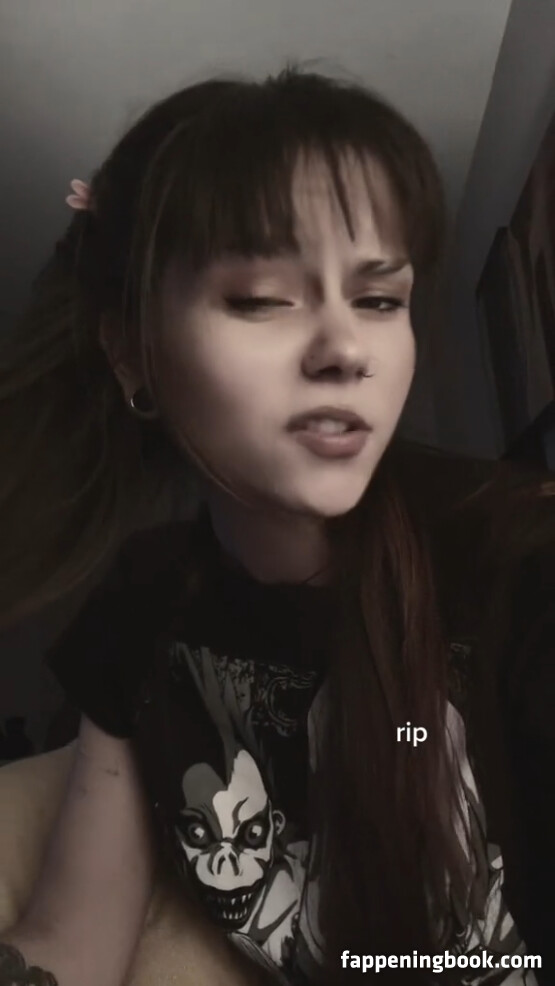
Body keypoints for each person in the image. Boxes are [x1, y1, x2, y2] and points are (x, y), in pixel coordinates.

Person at [0, 63, 542, 986]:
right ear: (131, 352)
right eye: (260, 298)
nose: (345, 350)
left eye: (380, 299)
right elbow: (71, 946)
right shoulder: (142, 608)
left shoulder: (514, 564)